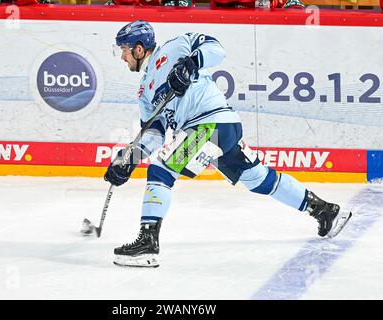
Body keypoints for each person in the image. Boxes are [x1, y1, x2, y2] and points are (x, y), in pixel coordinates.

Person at [105, 20, 352, 268]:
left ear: (139, 49)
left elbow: (216, 48)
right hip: (216, 130)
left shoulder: (176, 46)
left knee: (161, 170)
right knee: (259, 179)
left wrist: (193, 62)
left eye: (123, 51)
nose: (122, 58)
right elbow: (154, 132)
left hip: (211, 125)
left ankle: (148, 243)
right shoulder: (144, 92)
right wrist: (128, 160)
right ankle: (325, 211)